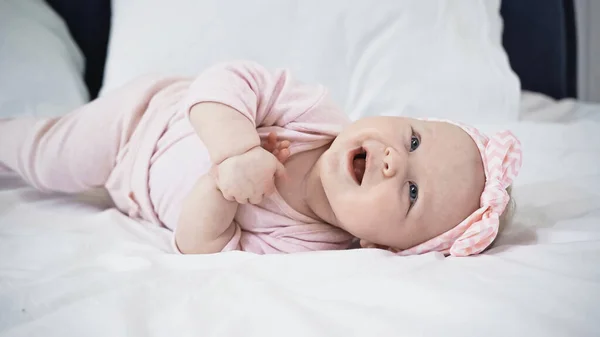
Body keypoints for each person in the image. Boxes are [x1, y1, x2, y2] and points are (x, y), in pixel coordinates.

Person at [0, 61, 522, 256]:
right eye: (413, 140)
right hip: (141, 121)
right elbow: (224, 80)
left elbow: (200, 248)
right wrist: (235, 148)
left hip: (131, 189)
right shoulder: (314, 114)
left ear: (375, 244)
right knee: (49, 159)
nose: (393, 162)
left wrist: (222, 186)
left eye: (411, 193)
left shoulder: (305, 247)